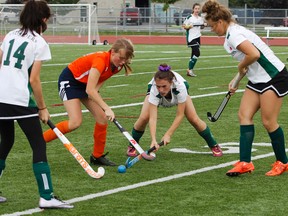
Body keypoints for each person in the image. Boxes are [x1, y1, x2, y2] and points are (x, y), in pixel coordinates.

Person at [0, 0, 73, 209]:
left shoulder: (11, 35)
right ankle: (46, 196)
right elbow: (34, 80)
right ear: (43, 19)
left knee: (6, 142)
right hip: (19, 100)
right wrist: (42, 108)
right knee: (38, 145)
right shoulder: (39, 42)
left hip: (1, 98)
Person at [202, 0, 288, 176]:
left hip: (273, 77)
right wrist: (237, 79)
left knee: (268, 122)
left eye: (212, 26)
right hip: (257, 80)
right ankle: (245, 162)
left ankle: (283, 162)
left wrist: (239, 69)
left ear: (220, 22)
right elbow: (247, 63)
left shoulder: (235, 34)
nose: (212, 30)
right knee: (244, 115)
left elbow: (254, 54)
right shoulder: (230, 36)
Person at [43, 38, 134, 166]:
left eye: (125, 59)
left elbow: (98, 83)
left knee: (102, 119)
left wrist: (96, 96)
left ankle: (97, 156)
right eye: (121, 57)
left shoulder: (117, 65)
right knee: (75, 122)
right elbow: (90, 90)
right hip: (70, 81)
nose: (123, 62)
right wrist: (106, 107)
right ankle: (40, 141)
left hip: (85, 84)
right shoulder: (101, 61)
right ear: (112, 52)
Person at [126, 63, 222, 157]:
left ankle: (213, 145)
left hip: (178, 95)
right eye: (158, 86)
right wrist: (153, 140)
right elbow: (153, 117)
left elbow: (180, 115)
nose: (161, 90)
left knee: (193, 118)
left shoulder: (180, 87)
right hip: (155, 96)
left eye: (164, 86)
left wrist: (168, 134)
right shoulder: (154, 89)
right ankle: (133, 145)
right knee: (144, 117)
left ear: (171, 83)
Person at [182, 3, 206, 77]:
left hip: (198, 37)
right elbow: (184, 26)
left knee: (193, 54)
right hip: (191, 37)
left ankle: (190, 70)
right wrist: (189, 26)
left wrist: (204, 25)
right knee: (197, 53)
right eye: (196, 8)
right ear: (193, 9)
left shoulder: (200, 18)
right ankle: (189, 69)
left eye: (198, 9)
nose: (197, 10)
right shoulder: (190, 17)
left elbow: (201, 28)